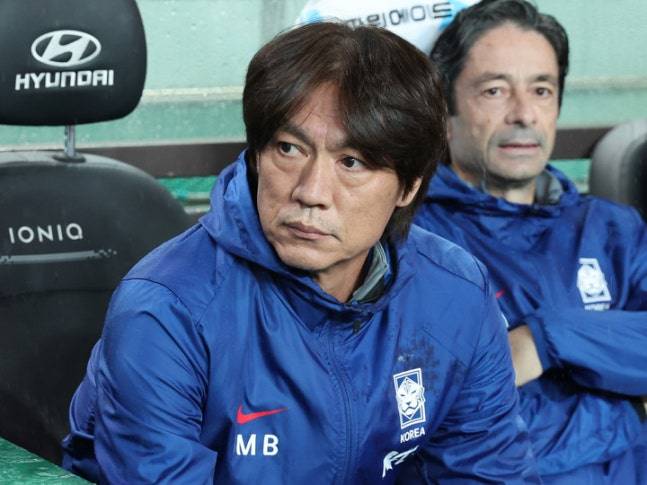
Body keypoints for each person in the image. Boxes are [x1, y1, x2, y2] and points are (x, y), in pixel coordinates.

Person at [61, 21, 538, 484]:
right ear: (256, 155)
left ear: (408, 187)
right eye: (289, 149)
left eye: (352, 162)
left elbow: (488, 472)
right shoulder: (167, 308)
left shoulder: (455, 292)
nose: (311, 191)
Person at [413, 0, 647, 483]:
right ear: (444, 110)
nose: (523, 114)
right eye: (495, 90)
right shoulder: (419, 242)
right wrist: (634, 410)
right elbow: (460, 435)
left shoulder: (613, 229)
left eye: (541, 90)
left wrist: (545, 339)